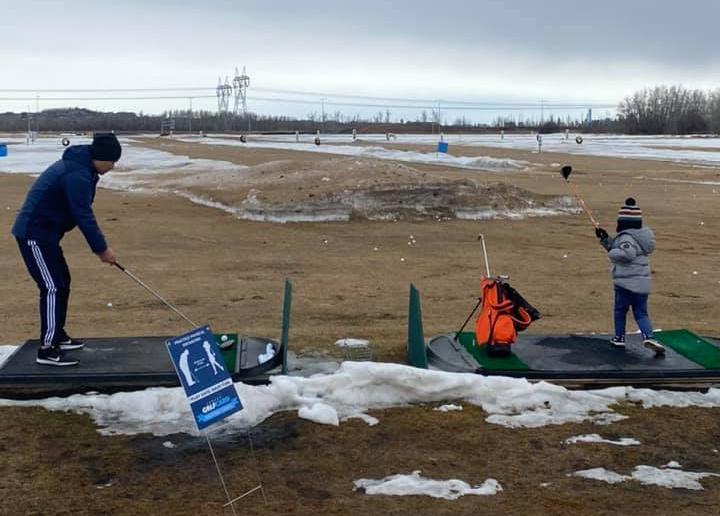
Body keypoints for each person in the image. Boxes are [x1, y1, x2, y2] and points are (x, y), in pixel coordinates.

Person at [12, 133, 121, 366]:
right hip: (34, 234)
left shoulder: (83, 168)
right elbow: (83, 215)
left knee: (61, 281)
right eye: (111, 161)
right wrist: (102, 250)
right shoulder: (77, 174)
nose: (113, 166)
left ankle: (57, 335)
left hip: (47, 235)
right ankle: (47, 348)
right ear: (101, 158)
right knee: (52, 287)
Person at [595, 198, 665, 356]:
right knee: (641, 312)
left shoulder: (627, 237)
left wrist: (611, 252)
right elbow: (623, 248)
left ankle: (619, 337)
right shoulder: (640, 237)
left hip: (625, 284)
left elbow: (625, 254)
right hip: (642, 284)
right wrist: (606, 240)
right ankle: (649, 336)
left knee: (620, 310)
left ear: (623, 223)